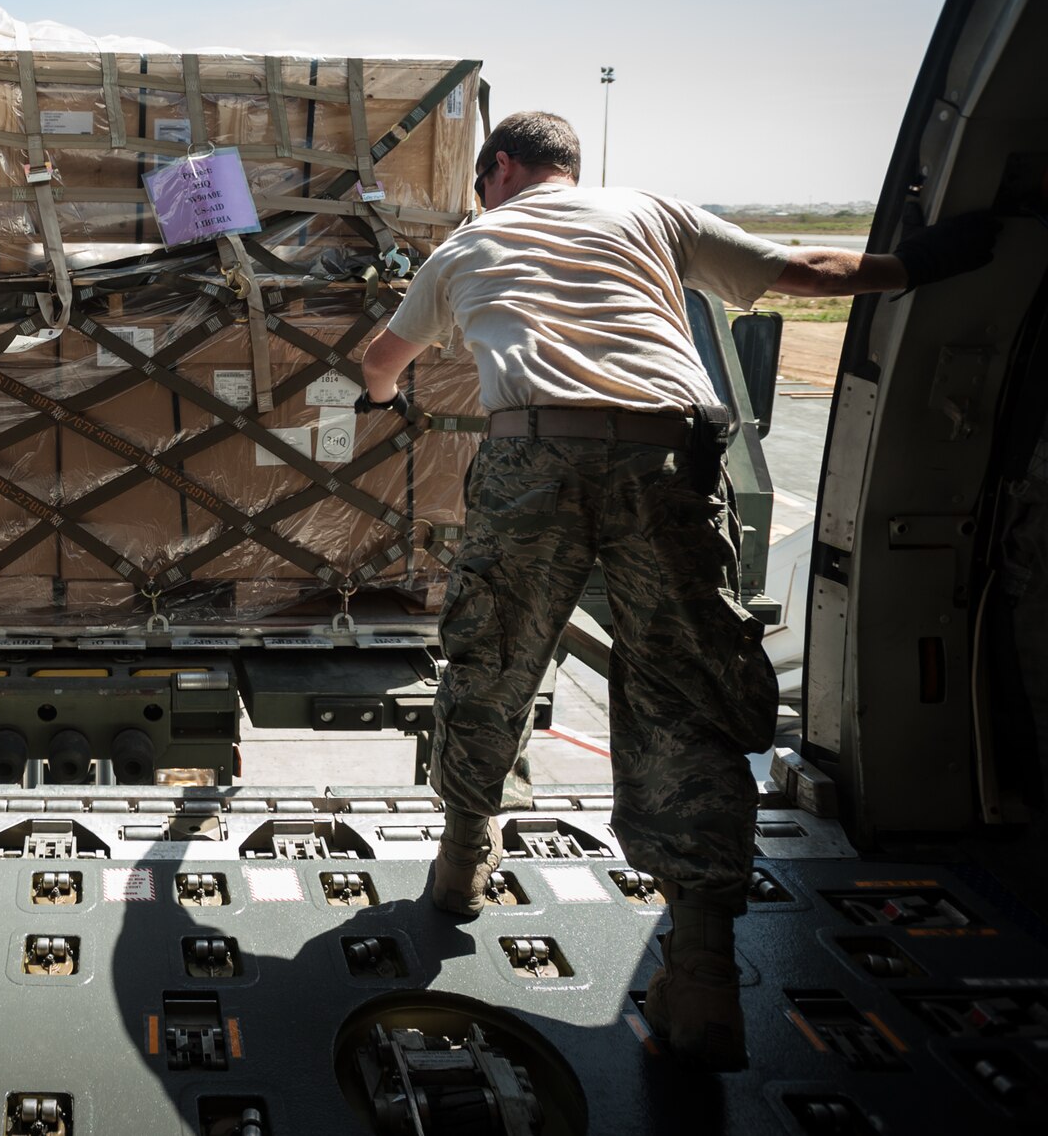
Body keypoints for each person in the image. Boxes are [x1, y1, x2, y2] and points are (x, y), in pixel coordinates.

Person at [359, 111, 999, 1069]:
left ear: (499, 169)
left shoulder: (473, 241)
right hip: (668, 460)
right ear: (572, 169)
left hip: (531, 457)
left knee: (490, 658)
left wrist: (380, 397)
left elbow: (378, 364)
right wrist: (927, 261)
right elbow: (812, 273)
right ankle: (701, 972)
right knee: (686, 689)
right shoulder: (647, 211)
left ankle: (460, 868)